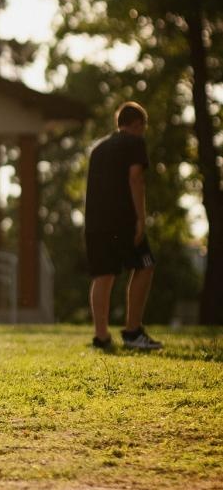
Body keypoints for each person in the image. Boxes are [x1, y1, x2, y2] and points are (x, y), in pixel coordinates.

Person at [84, 101, 162, 351]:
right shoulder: (134, 142)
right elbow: (136, 178)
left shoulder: (98, 149)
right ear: (138, 124)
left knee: (103, 275)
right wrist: (141, 218)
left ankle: (101, 336)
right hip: (124, 220)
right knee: (145, 265)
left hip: (96, 222)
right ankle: (133, 331)